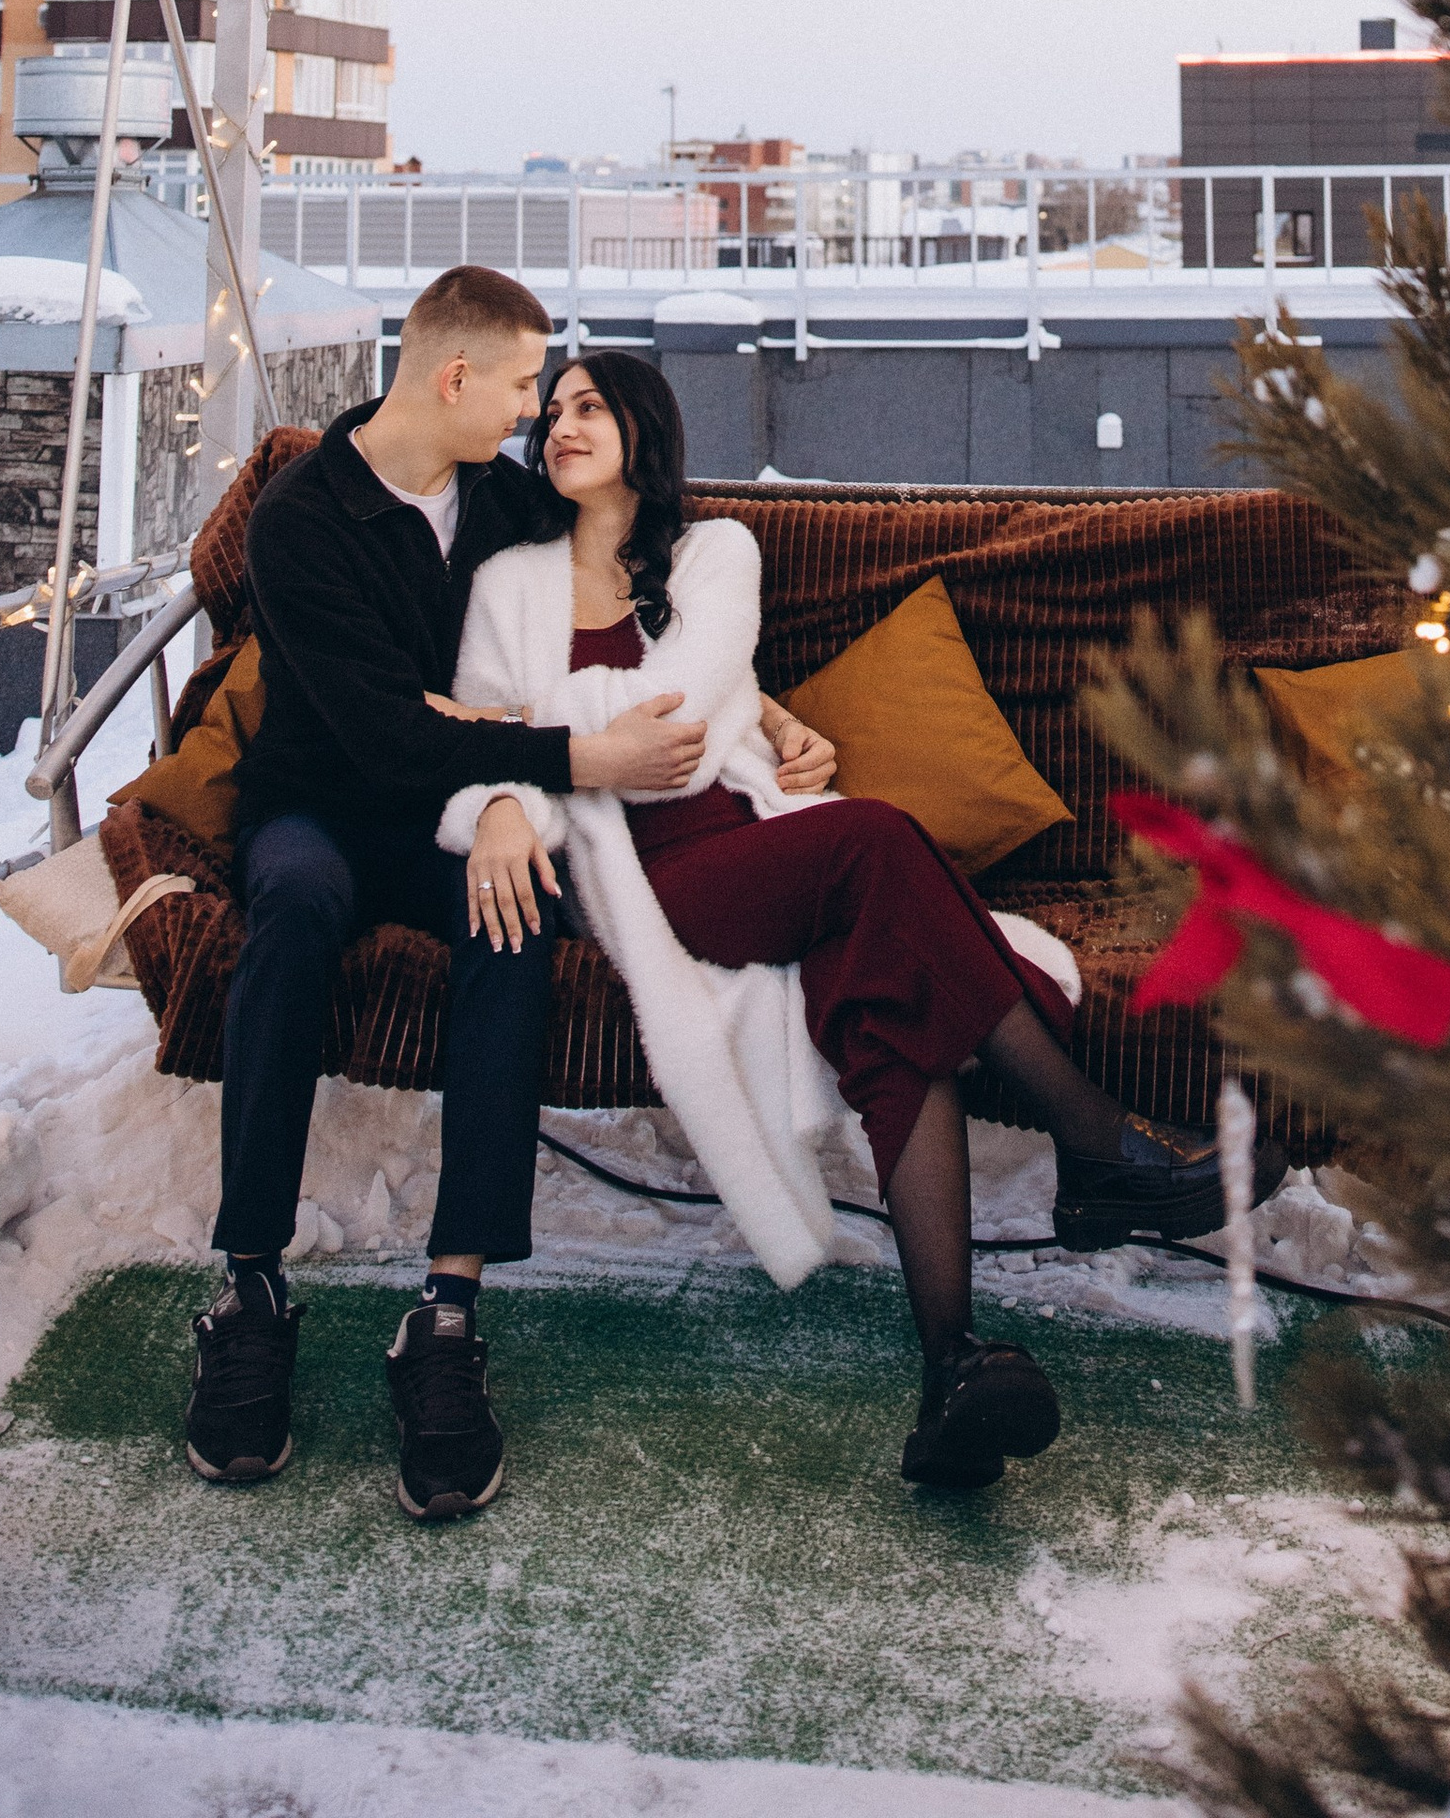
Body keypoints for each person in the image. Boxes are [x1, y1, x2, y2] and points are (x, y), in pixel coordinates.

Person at [439, 351, 1287, 1491]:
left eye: (588, 406)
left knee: (892, 1012)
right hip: (649, 874)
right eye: (549, 415)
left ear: (646, 429)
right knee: (876, 838)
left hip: (750, 831)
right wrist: (552, 755)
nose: (559, 427)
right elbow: (535, 756)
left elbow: (677, 720)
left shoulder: (716, 551)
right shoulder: (508, 582)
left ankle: (951, 1371)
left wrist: (558, 723)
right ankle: (1093, 1142)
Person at [183, 261, 580, 1522]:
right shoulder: (302, 518)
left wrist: (510, 796)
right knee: (293, 908)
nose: (530, 410)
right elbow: (378, 737)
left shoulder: (509, 506)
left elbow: (623, 600)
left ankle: (448, 1316)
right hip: (319, 804)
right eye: (521, 385)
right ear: (453, 375)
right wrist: (549, 759)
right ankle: (249, 1286)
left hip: (448, 819)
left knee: (513, 919)